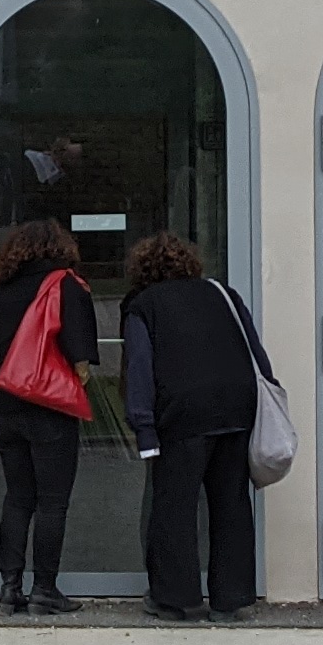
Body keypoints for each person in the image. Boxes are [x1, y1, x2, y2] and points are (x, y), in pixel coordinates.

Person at [118, 230, 270, 619]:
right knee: (232, 504)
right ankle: (231, 599)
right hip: (236, 407)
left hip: (182, 413)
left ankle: (176, 598)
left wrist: (144, 428)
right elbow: (254, 350)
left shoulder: (142, 305)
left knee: (174, 506)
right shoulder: (222, 293)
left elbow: (140, 367)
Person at [0, 218, 97, 615]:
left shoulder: (6, 293)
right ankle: (45, 588)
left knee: (18, 498)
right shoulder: (66, 286)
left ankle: (9, 588)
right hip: (50, 409)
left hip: (8, 408)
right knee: (52, 502)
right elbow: (81, 358)